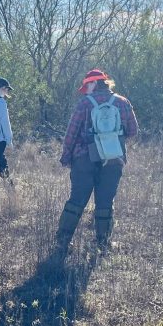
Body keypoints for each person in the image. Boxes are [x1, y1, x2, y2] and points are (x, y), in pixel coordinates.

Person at [55, 69, 138, 252]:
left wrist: (66, 157)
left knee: (77, 200)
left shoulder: (84, 104)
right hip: (114, 159)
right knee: (105, 202)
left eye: (86, 86)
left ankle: (62, 241)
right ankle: (103, 243)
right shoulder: (123, 102)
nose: (86, 90)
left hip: (84, 159)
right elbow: (133, 131)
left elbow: (71, 133)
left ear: (93, 83)